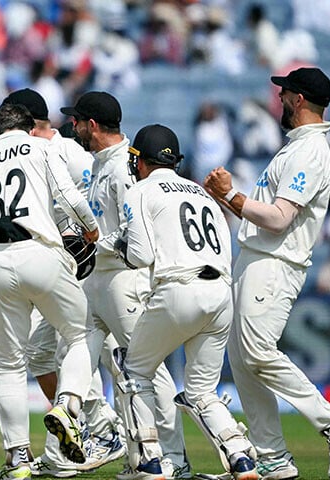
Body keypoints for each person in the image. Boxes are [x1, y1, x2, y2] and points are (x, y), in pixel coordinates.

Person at [204, 67, 330, 480]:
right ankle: (271, 456)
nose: (279, 99)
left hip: (276, 264)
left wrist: (230, 196)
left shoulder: (310, 151)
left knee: (256, 351)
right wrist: (232, 197)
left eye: (285, 93)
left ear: (301, 99)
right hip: (254, 259)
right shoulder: (293, 148)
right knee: (241, 359)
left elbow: (278, 218)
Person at [0, 88, 124, 478]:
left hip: (83, 264)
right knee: (42, 353)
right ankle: (77, 428)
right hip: (54, 262)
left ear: (25, 119)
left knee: (85, 348)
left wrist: (91, 238)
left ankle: (106, 431)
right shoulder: (39, 151)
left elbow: (97, 197)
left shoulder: (68, 151)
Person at [0, 103, 99, 480]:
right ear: (30, 129)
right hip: (41, 251)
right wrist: (90, 228)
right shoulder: (41, 148)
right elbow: (68, 195)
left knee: (6, 364)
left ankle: (17, 458)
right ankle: (67, 406)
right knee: (79, 334)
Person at [114, 124, 258, 480]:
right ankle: (241, 457)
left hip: (179, 289)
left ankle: (150, 461)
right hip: (221, 292)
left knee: (133, 370)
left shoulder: (141, 190)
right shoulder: (202, 192)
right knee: (202, 390)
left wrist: (114, 244)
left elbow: (138, 256)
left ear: (140, 160)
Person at [61, 92, 190, 479]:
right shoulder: (103, 165)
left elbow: (131, 234)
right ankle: (141, 457)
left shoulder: (122, 168)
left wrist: (90, 243)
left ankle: (174, 459)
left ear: (93, 125)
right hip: (100, 280)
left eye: (77, 121)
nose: (73, 127)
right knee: (121, 372)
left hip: (125, 280)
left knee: (147, 371)